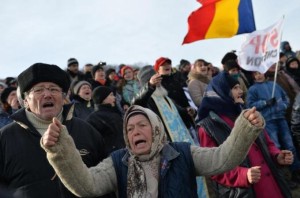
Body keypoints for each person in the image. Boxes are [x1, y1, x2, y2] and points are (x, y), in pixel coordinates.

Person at [41, 104, 264, 198]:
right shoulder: (118, 162)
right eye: (129, 129)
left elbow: (223, 159)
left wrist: (245, 128)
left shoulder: (182, 153)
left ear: (156, 128)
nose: (135, 131)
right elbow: (86, 186)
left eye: (142, 125)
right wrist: (61, 150)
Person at [0, 63, 109, 198]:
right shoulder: (5, 138)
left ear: (63, 97)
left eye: (53, 89)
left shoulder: (88, 132)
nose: (47, 94)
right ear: (26, 100)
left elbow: (104, 182)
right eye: (38, 90)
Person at [198, 71, 292, 198]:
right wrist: (242, 175)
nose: (241, 91)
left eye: (239, 87)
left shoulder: (247, 114)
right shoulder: (208, 127)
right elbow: (212, 166)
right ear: (221, 91)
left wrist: (277, 156)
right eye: (235, 88)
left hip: (271, 183)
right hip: (247, 190)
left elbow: (267, 142)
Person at [247, 71, 300, 182]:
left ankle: (296, 171)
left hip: (280, 118)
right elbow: (250, 105)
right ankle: (281, 176)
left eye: (260, 73)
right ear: (253, 76)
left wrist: (283, 106)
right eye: (256, 74)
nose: (258, 75)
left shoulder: (274, 84)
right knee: (276, 147)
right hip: (268, 121)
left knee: (290, 145)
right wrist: (265, 103)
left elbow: (286, 98)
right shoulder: (252, 89)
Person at [86, 86, 125, 154]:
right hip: (109, 158)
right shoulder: (93, 118)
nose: (114, 97)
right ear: (103, 98)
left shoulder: (115, 114)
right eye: (111, 95)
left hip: (124, 154)